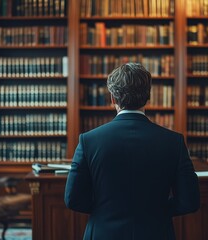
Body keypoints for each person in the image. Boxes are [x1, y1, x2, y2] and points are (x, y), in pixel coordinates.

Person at [64, 63, 200, 240]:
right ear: (148, 97)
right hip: (156, 233)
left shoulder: (88, 140)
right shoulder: (173, 141)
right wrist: (157, 210)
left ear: (113, 98)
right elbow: (190, 201)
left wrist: (105, 209)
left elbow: (73, 199)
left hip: (103, 233)